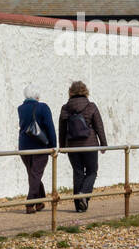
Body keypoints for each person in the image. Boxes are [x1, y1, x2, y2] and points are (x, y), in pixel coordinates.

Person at [59, 80, 107, 212]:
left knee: (78, 173)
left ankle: (79, 207)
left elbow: (62, 129)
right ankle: (83, 194)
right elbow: (99, 126)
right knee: (92, 171)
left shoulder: (65, 108)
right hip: (89, 145)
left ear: (71, 92)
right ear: (85, 91)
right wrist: (103, 144)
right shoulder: (91, 106)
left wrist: (62, 146)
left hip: (72, 146)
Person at [17, 84, 56, 213]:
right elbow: (50, 127)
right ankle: (30, 203)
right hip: (40, 146)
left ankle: (39, 202)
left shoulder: (21, 108)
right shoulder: (43, 107)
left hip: (24, 146)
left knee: (33, 174)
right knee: (35, 174)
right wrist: (53, 146)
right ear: (37, 95)